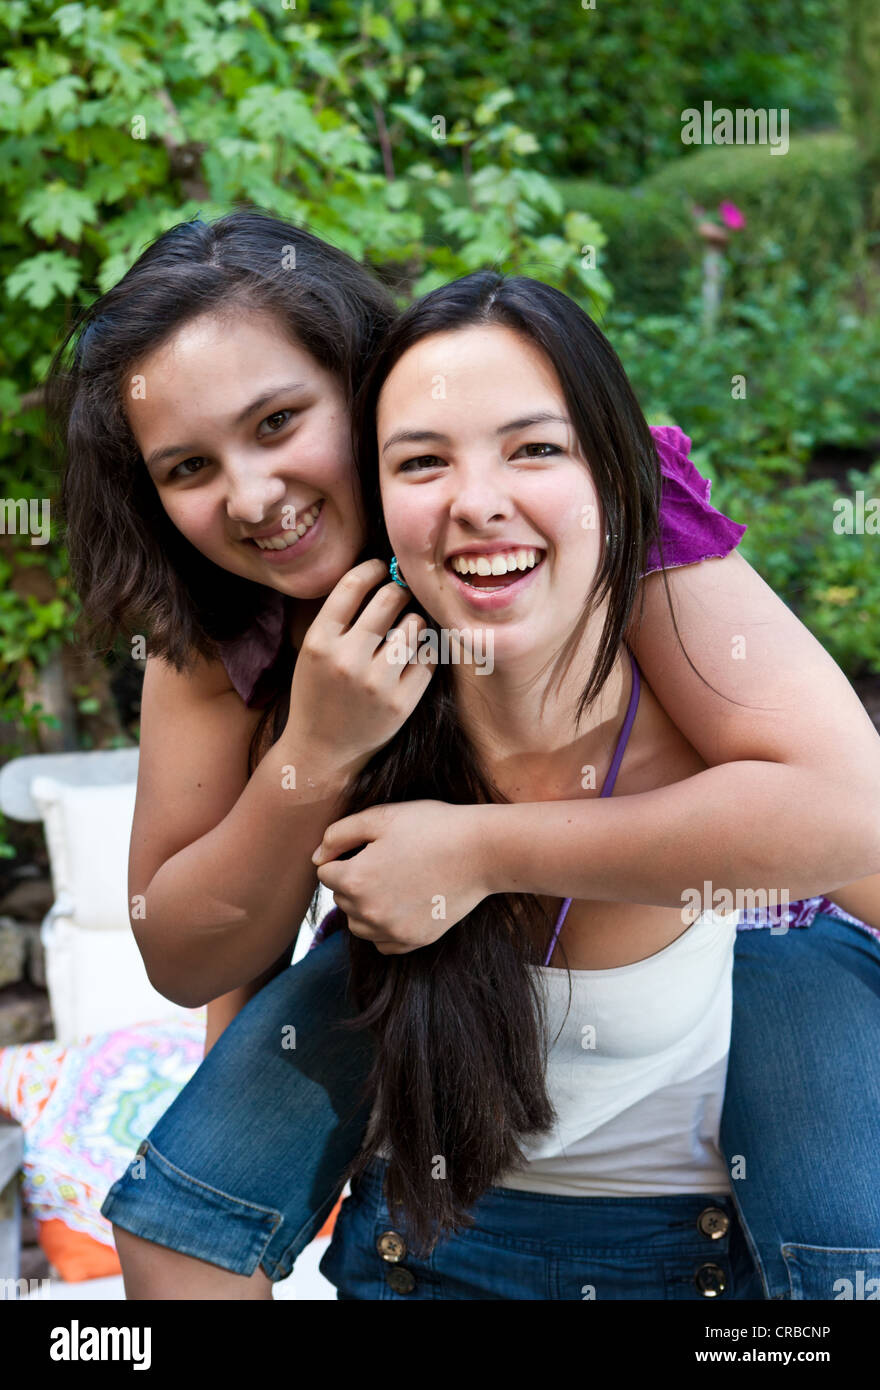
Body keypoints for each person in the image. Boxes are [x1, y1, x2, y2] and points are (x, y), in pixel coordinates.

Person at [46, 212, 880, 1298]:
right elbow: (195, 953)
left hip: (755, 911)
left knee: (834, 1228)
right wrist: (315, 750)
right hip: (437, 962)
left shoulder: (567, 514)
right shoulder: (221, 618)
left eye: (280, 421)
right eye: (188, 466)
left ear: (369, 388)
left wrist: (478, 850)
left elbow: (841, 817)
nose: (252, 497)